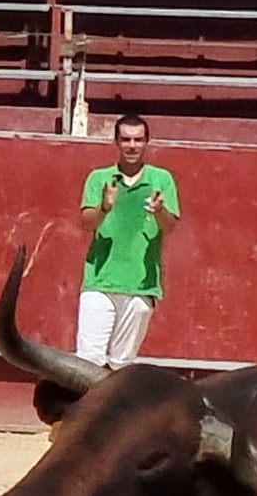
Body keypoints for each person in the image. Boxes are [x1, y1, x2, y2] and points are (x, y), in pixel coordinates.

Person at [76, 113, 181, 369]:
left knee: (121, 365)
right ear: (116, 142)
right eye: (126, 139)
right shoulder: (99, 178)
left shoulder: (161, 179)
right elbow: (86, 223)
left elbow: (170, 226)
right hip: (99, 281)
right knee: (88, 361)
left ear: (147, 142)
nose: (132, 145)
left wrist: (159, 211)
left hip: (140, 285)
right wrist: (104, 206)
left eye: (138, 139)